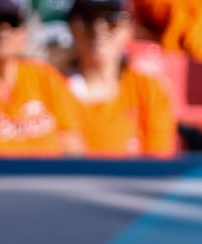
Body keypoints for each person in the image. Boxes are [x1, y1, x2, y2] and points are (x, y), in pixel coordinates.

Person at [63, 0, 177, 157]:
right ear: (72, 27)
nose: (99, 29)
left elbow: (159, 162)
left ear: (128, 28)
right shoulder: (51, 89)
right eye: (88, 18)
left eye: (112, 18)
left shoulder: (148, 90)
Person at [0, 0, 85, 156]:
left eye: (13, 23)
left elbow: (73, 145)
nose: (3, 31)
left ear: (23, 33)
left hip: (47, 178)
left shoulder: (45, 77)